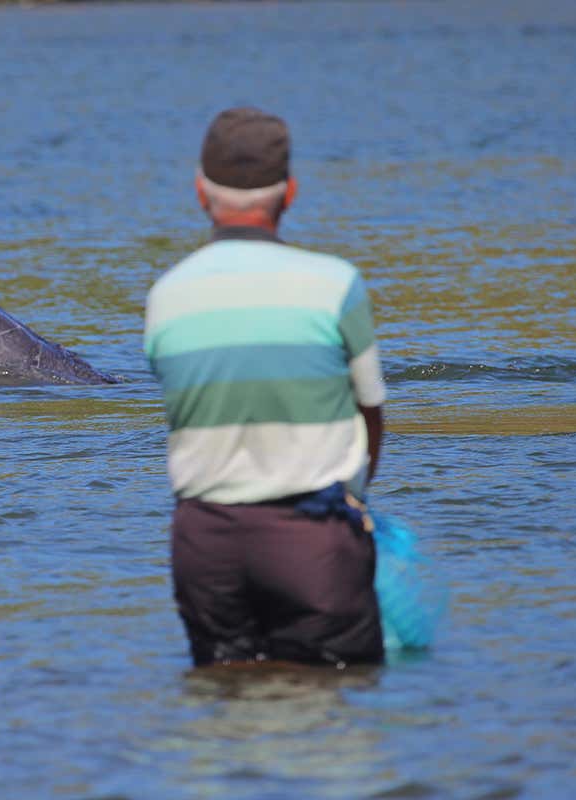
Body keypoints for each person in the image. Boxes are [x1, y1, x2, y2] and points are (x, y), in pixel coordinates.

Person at [143, 108, 388, 669]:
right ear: (291, 193)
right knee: (332, 713)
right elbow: (371, 411)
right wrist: (356, 494)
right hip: (312, 540)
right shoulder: (337, 285)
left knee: (222, 708)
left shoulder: (166, 296)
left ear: (201, 193)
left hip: (205, 545)